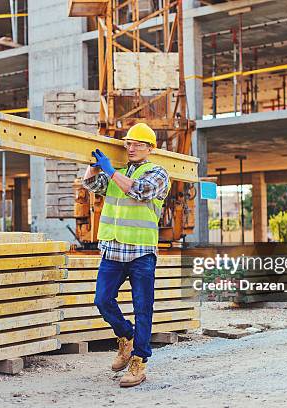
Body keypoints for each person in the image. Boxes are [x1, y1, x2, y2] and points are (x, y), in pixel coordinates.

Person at [82, 122, 170, 387]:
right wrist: (94, 165)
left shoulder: (158, 173)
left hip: (141, 251)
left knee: (143, 309)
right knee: (102, 300)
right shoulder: (116, 171)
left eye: (138, 144)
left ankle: (139, 362)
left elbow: (139, 191)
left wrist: (110, 170)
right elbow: (91, 184)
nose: (131, 148)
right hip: (113, 248)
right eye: (128, 143)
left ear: (150, 148)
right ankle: (126, 338)